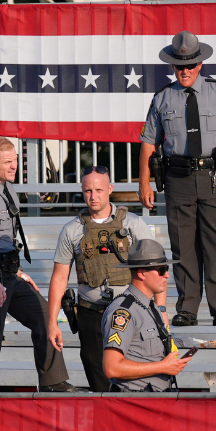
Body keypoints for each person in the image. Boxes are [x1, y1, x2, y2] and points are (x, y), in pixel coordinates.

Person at [138, 30, 216, 328]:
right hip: (178, 179)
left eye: (190, 64)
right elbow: (148, 142)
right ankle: (187, 308)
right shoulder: (163, 98)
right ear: (172, 66)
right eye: (179, 65)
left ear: (200, 64)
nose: (185, 71)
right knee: (183, 247)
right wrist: (144, 181)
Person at [0, 136, 73, 392]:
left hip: (9, 275)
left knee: (46, 317)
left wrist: (17, 271)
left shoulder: (7, 188)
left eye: (16, 161)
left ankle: (54, 382)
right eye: (7, 162)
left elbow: (4, 240)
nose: (14, 167)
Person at [47, 166, 166, 391]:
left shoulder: (132, 224)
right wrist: (52, 323)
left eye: (99, 190)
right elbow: (59, 278)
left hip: (131, 313)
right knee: (98, 380)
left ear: (110, 189)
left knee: (135, 378)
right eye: (88, 191)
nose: (93, 196)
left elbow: (155, 269)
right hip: (91, 313)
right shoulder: (72, 230)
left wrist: (160, 311)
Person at [101, 239, 194, 392]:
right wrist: (163, 367)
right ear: (142, 273)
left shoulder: (150, 307)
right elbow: (112, 368)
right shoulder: (123, 311)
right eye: (162, 270)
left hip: (154, 399)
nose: (167, 276)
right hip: (134, 404)